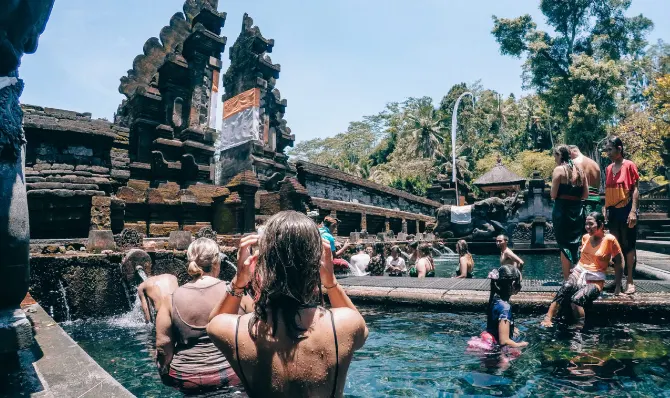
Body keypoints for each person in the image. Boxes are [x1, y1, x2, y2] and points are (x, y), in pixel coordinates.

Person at [207, 210, 369, 398]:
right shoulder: (343, 325)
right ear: (316, 263)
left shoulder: (236, 332)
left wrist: (239, 280)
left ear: (262, 262)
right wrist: (331, 282)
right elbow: (362, 331)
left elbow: (213, 323)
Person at [155, 238, 243, 395]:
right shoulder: (236, 293)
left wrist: (164, 375)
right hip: (231, 375)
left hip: (186, 378)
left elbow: (163, 348)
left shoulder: (171, 300)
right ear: (216, 262)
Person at [541, 212, 624, 328]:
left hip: (595, 280)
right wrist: (575, 268)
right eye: (586, 224)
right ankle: (548, 317)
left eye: (591, 224)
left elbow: (619, 262)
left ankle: (579, 326)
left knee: (576, 299)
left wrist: (618, 286)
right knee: (566, 287)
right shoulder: (585, 237)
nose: (587, 227)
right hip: (579, 272)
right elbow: (584, 258)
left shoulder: (610, 239)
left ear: (600, 225)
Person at [604, 136, 640, 295]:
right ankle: (617, 281)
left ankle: (630, 281)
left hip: (626, 210)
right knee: (615, 247)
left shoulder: (629, 165)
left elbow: (635, 190)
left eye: (610, 149)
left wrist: (633, 211)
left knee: (628, 245)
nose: (608, 153)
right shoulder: (608, 168)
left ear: (619, 149)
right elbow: (607, 190)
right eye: (607, 150)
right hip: (613, 212)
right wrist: (605, 208)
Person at [467, 265, 528, 350]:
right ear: (514, 284)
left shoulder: (494, 299)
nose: (521, 285)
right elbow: (504, 341)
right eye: (520, 282)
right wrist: (523, 344)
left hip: (490, 344)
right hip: (497, 351)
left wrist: (511, 329)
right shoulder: (505, 308)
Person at [552, 145, 589, 279]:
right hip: (577, 210)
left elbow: (553, 194)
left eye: (555, 155)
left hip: (562, 211)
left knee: (564, 244)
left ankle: (567, 279)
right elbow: (585, 195)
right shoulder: (580, 170)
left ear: (560, 155)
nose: (554, 158)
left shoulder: (559, 170)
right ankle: (579, 278)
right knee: (576, 243)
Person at [569, 145, 602, 215]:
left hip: (583, 202)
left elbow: (575, 183)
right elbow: (598, 186)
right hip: (597, 201)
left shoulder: (574, 162)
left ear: (573, 151)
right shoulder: (595, 164)